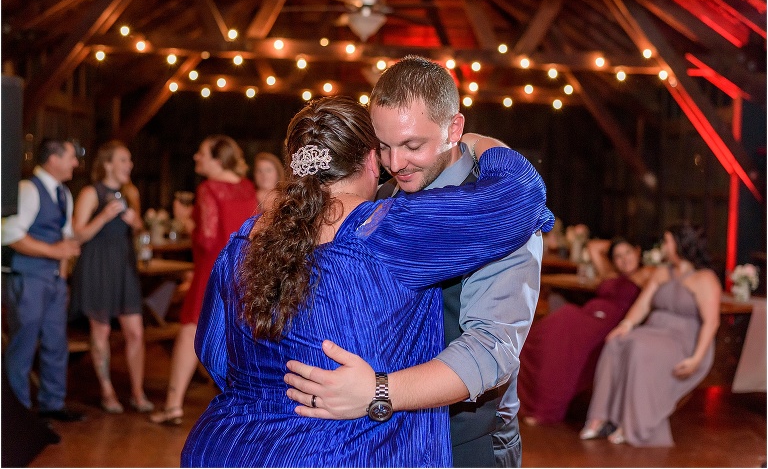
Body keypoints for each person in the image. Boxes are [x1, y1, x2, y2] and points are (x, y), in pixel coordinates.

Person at [181, 96, 554, 467]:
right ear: (372, 160)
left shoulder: (244, 241)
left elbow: (215, 354)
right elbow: (522, 196)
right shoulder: (386, 231)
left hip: (224, 447)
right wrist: (480, 143)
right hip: (335, 452)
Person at [284, 55, 544, 467]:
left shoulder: (500, 213)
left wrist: (378, 391)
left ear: (454, 129)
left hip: (466, 439)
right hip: (386, 436)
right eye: (384, 146)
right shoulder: (382, 199)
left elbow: (491, 350)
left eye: (412, 146)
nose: (395, 164)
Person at [579, 222, 721, 447]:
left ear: (681, 245)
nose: (663, 246)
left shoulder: (705, 279)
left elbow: (711, 322)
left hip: (684, 340)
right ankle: (600, 418)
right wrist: (626, 325)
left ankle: (633, 424)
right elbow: (643, 304)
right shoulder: (662, 272)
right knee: (616, 342)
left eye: (667, 241)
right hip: (654, 331)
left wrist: (696, 358)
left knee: (639, 347)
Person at [150, 135, 257, 425]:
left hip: (213, 269)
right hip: (243, 267)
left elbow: (207, 240)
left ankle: (173, 406)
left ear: (217, 160)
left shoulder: (208, 189)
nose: (197, 157)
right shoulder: (247, 187)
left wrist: (186, 220)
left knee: (189, 331)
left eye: (202, 153)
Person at [517, 237, 654, 425]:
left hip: (607, 324)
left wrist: (621, 247)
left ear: (638, 251)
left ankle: (543, 409)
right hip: (587, 315)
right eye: (618, 256)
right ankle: (523, 401)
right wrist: (617, 246)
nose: (624, 259)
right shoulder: (610, 273)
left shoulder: (647, 274)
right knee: (538, 336)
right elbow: (593, 246)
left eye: (628, 253)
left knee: (561, 332)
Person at [1, 138, 84, 421]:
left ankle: (52, 404)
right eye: (71, 157)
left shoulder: (64, 193)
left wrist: (63, 279)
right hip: (29, 278)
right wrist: (54, 251)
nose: (75, 163)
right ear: (53, 159)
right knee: (23, 346)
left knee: (56, 344)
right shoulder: (28, 190)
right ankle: (18, 413)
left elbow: (65, 238)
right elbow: (9, 235)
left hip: (53, 281)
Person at [69, 140, 152, 414]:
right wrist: (103, 217)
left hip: (124, 265)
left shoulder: (131, 192)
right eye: (123, 160)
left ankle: (137, 393)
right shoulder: (91, 193)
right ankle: (107, 392)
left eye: (129, 160)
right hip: (97, 265)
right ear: (107, 164)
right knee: (101, 329)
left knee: (135, 331)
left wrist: (135, 222)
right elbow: (78, 234)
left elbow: (140, 230)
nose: (129, 165)